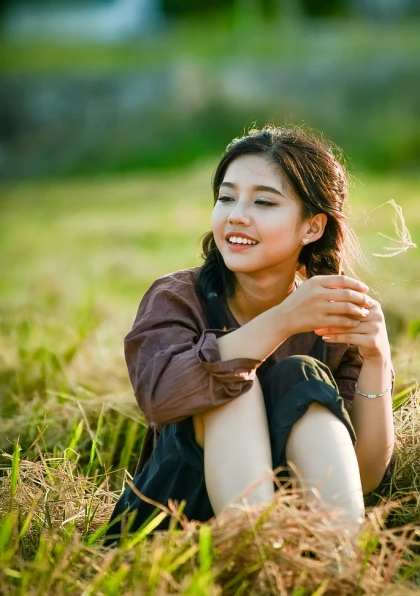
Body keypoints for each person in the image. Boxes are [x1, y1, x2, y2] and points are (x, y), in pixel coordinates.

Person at [106, 125, 394, 541]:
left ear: (311, 228)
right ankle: (258, 562)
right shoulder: (177, 297)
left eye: (263, 201)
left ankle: (337, 572)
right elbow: (162, 398)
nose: (236, 214)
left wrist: (377, 360)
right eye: (226, 197)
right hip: (166, 538)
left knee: (301, 376)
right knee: (231, 384)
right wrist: (283, 320)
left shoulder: (334, 320)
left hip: (301, 543)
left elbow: (364, 477)